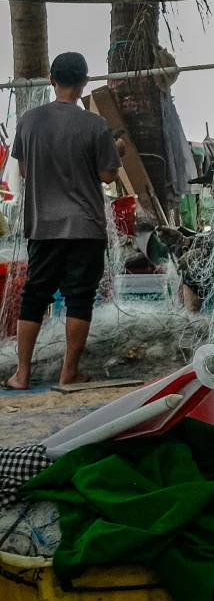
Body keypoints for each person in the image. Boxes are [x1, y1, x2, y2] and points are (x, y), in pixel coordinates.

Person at [6, 52, 121, 390]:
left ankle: (21, 374)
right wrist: (119, 153)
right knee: (79, 297)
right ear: (84, 82)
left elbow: (24, 170)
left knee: (35, 295)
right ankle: (69, 372)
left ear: (52, 81)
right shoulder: (96, 125)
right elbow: (107, 175)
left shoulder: (28, 121)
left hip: (43, 225)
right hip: (85, 226)